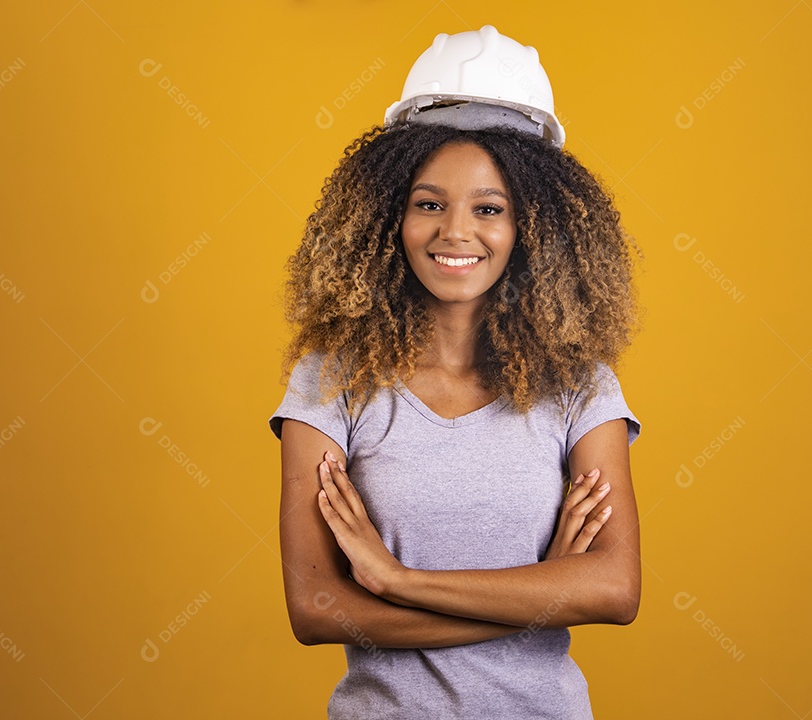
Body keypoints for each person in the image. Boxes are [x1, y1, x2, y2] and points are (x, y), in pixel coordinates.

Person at [269, 25, 644, 719]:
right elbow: (317, 607)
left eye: (490, 209)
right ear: (389, 217)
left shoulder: (579, 387)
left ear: (532, 224)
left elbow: (615, 589)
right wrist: (542, 594)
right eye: (429, 204)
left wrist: (391, 580)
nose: (455, 234)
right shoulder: (331, 383)